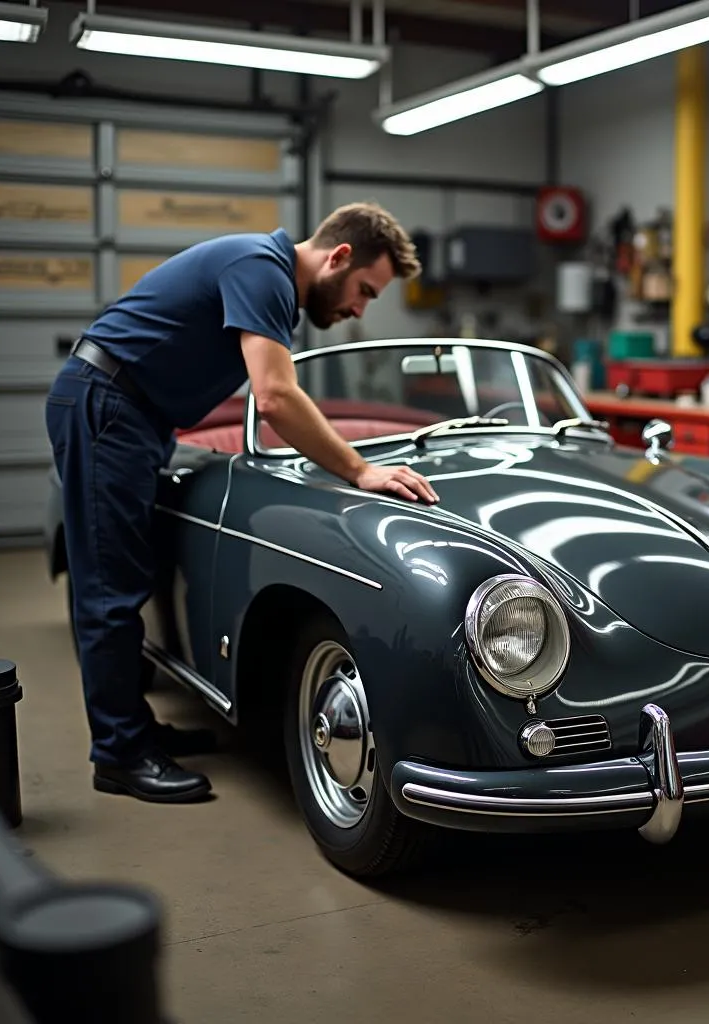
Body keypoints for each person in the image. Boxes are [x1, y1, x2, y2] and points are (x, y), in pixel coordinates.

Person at [45, 201, 440, 804]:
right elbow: (276, 395)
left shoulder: (263, 269)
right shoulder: (263, 269)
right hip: (108, 405)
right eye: (364, 290)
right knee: (110, 588)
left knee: (131, 575)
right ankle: (119, 755)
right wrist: (360, 470)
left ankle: (134, 729)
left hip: (135, 414)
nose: (360, 307)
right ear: (337, 257)